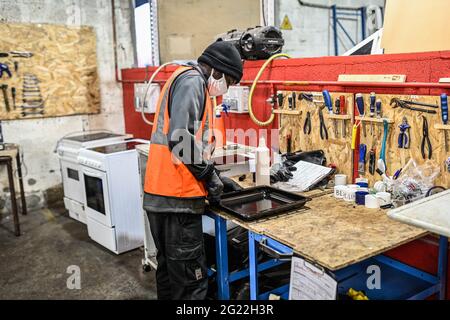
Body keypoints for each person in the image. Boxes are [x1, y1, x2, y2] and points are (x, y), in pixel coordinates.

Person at [143, 41, 243, 300]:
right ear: (217, 71)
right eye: (229, 81)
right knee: (190, 283)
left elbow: (192, 143)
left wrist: (218, 176)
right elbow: (180, 138)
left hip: (162, 194)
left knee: (170, 275)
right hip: (177, 198)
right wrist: (208, 176)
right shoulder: (193, 82)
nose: (226, 88)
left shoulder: (185, 78)